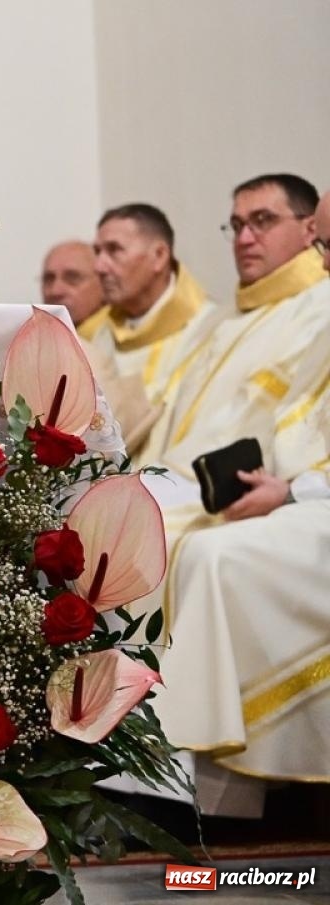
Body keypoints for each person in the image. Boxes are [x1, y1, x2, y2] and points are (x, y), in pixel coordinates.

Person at [149, 189, 330, 796]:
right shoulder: (230, 321)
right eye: (236, 225)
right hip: (303, 494)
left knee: (206, 553)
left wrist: (297, 490)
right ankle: (156, 770)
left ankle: (197, 785)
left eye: (328, 244)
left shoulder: (314, 308)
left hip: (310, 499)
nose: (323, 262)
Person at [82, 204, 216, 411]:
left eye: (114, 250)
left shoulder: (210, 331)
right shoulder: (92, 334)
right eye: (98, 252)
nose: (98, 267)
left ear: (159, 256)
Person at [41, 240, 105, 329]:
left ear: (103, 283)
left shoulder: (121, 336)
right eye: (49, 279)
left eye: (72, 278)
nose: (55, 291)